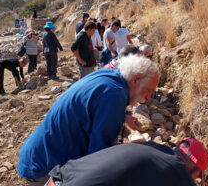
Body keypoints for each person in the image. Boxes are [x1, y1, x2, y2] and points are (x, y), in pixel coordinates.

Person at [17, 55, 160, 185]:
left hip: (38, 154)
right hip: (46, 168)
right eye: (148, 90)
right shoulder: (114, 95)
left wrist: (122, 116)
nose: (147, 98)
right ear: (136, 79)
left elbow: (93, 104)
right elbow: (96, 161)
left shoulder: (111, 76)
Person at [45, 138, 208, 186]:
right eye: (196, 177)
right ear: (193, 169)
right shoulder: (178, 172)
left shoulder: (153, 147)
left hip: (56, 179)